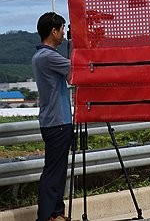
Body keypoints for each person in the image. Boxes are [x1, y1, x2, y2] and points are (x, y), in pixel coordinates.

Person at [33, 12, 72, 221]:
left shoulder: (41, 56)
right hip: (58, 121)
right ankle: (47, 215)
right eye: (62, 28)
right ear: (53, 31)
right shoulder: (48, 56)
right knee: (54, 172)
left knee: (57, 170)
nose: (64, 33)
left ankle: (56, 213)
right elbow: (76, 70)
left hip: (54, 121)